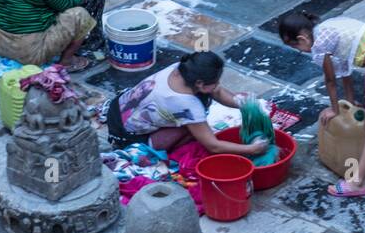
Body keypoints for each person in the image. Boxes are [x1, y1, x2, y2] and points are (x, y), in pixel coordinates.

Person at [278, 11, 365, 199]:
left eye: (297, 47)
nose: (301, 51)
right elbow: (345, 70)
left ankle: (357, 183)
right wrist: (350, 101)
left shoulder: (319, 44)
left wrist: (335, 109)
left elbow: (330, 80)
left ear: (302, 38)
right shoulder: (329, 27)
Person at [105, 52, 271, 157]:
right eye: (215, 81)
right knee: (193, 130)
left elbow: (216, 90)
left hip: (118, 109)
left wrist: (242, 103)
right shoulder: (187, 105)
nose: (217, 84)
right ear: (199, 83)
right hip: (128, 135)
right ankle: (156, 147)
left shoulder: (181, 68)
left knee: (203, 102)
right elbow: (214, 147)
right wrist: (253, 149)